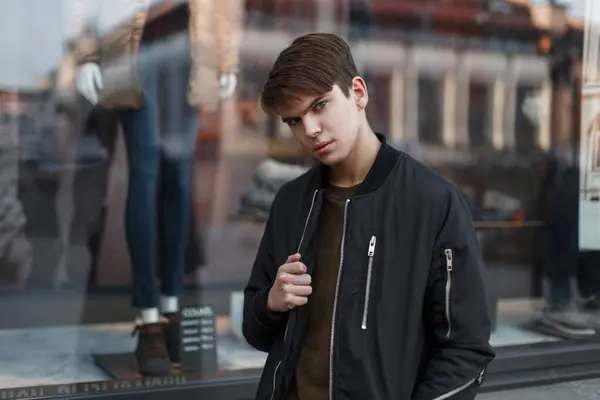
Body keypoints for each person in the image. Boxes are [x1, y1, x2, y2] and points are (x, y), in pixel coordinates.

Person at [242, 33, 494, 400]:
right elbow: (255, 331)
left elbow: (466, 350)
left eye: (320, 105)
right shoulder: (290, 202)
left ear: (358, 92)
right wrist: (271, 302)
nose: (309, 130)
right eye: (294, 120)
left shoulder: (433, 202)